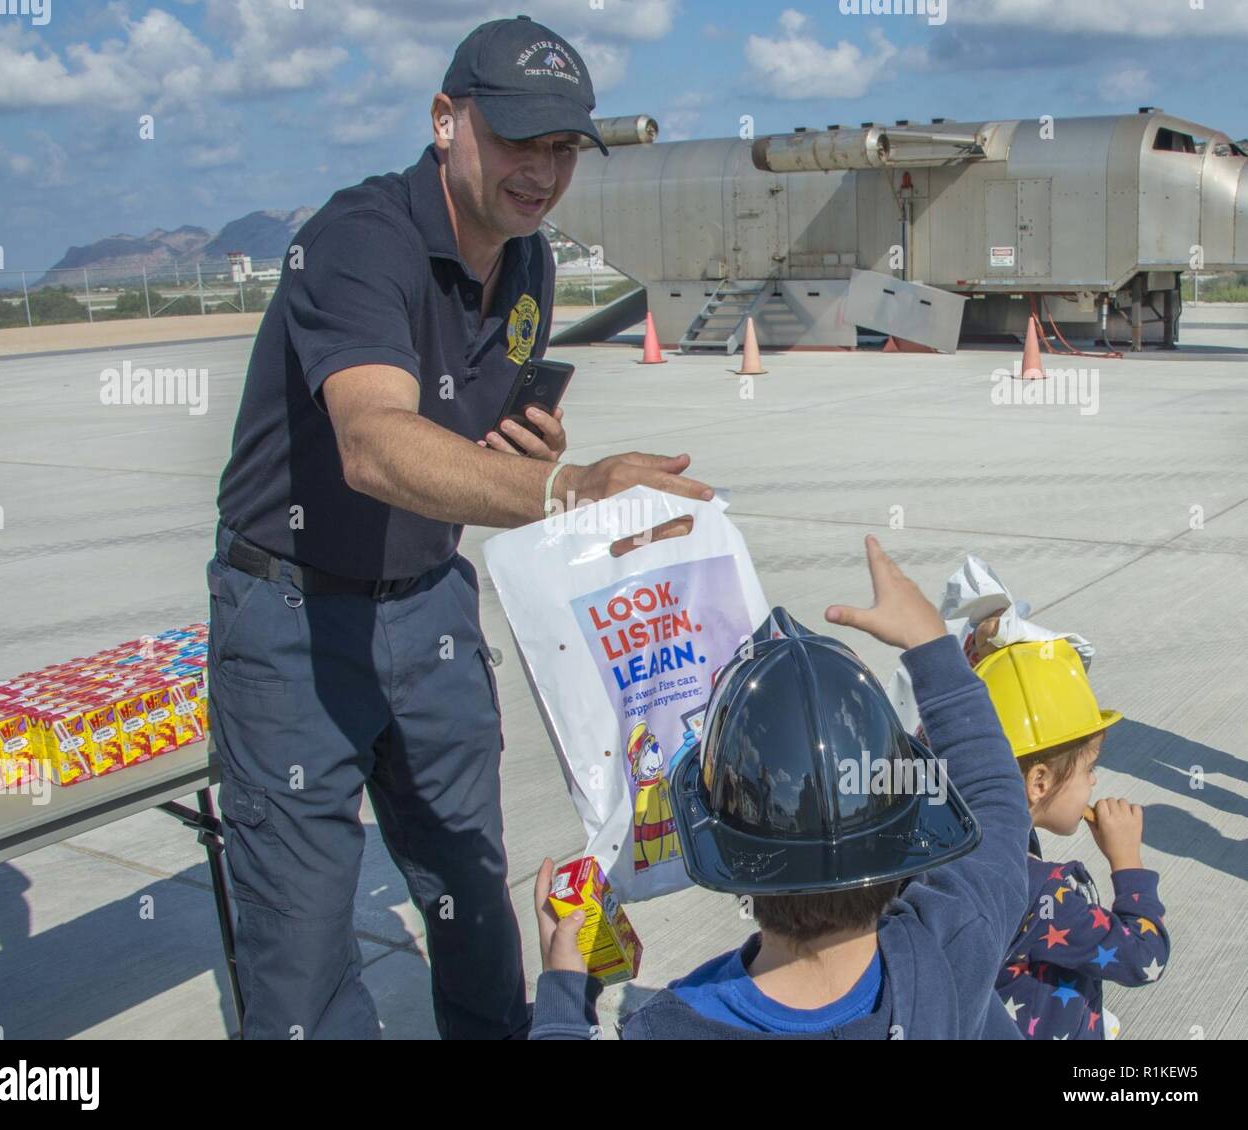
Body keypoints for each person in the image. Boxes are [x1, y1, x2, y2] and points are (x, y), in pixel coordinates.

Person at [208, 14, 711, 1040]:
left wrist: (525, 456)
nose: (543, 170)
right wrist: (569, 486)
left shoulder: (527, 262)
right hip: (295, 620)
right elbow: (376, 445)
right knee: (302, 958)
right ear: (446, 121)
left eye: (564, 147)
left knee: (473, 902)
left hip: (431, 606)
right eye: (520, 139)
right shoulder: (354, 242)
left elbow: (470, 442)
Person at [529, 536, 1030, 1039]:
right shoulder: (955, 947)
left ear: (723, 852)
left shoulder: (670, 1026)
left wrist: (563, 997)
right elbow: (997, 804)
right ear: (905, 831)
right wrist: (931, 646)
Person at [977, 640, 1170, 1039]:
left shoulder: (963, 849)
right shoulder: (1047, 896)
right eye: (1089, 767)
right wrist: (1128, 862)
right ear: (1039, 782)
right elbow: (1144, 958)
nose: (1094, 781)